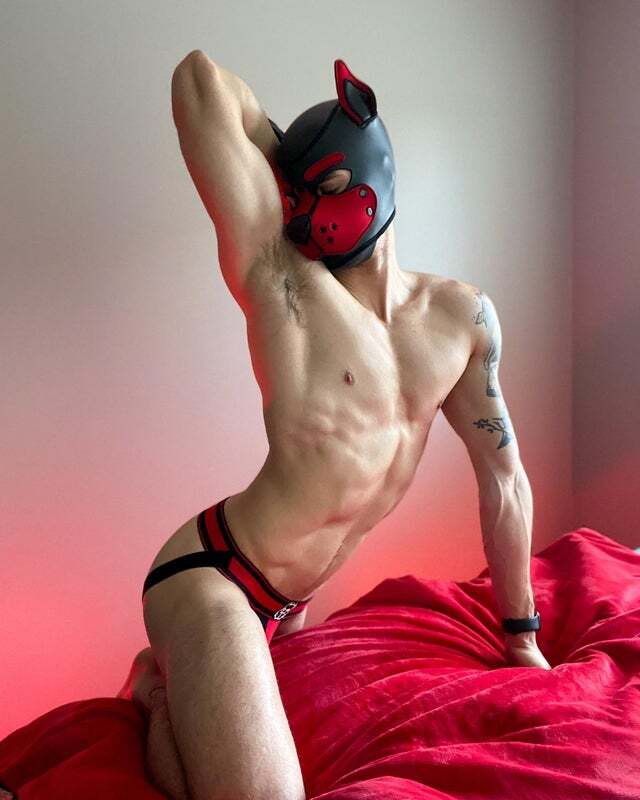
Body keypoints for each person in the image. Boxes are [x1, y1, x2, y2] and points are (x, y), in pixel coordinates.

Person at [117, 53, 549, 800]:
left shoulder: (461, 319)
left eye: (331, 187)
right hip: (216, 576)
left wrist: (522, 638)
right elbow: (199, 80)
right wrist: (288, 159)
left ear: (375, 176)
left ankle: (161, 692)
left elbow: (503, 477)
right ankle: (161, 686)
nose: (309, 212)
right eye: (299, 196)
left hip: (293, 606)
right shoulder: (282, 279)